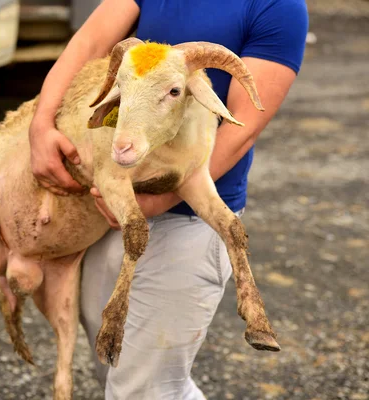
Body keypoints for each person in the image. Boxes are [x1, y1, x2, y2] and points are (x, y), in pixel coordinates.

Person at [28, 0, 308, 398]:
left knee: (144, 389)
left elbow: (241, 127)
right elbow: (91, 42)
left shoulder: (277, 8)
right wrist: (40, 125)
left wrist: (162, 199)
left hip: (187, 222)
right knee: (116, 372)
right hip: (113, 203)